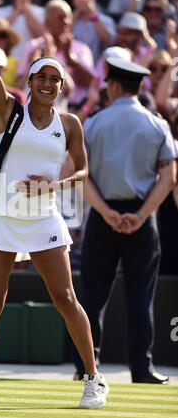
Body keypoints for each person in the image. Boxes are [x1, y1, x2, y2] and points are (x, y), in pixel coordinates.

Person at [0, 2, 109, 409]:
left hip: (44, 217)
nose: (48, 83)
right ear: (29, 81)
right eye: (41, 77)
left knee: (65, 298)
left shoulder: (71, 125)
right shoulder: (9, 109)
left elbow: (83, 174)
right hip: (3, 216)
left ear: (63, 87)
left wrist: (55, 184)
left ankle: (94, 379)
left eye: (55, 79)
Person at [72, 57, 177, 384]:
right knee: (140, 296)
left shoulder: (93, 123)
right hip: (141, 218)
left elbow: (79, 176)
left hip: (103, 215)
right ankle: (141, 368)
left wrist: (105, 212)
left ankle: (85, 367)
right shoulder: (157, 124)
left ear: (114, 85)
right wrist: (141, 215)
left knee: (91, 295)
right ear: (139, 86)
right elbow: (169, 177)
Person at [15, 0, 94, 112]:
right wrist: (33, 65)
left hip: (74, 110)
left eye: (68, 17)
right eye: (60, 18)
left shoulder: (81, 48)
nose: (66, 22)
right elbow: (18, 86)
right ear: (47, 22)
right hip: (34, 112)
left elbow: (90, 81)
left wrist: (68, 59)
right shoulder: (33, 47)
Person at [71, 0, 116, 64]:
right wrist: (77, 14)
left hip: (97, 74)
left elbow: (109, 41)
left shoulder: (106, 20)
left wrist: (92, 14)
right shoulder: (66, 18)